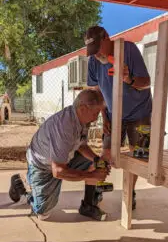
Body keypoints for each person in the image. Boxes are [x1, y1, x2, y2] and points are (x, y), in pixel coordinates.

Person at [9, 89, 110, 221]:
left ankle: (88, 204)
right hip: (43, 165)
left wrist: (97, 160)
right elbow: (58, 171)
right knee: (42, 212)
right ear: (83, 108)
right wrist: (92, 175)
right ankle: (21, 184)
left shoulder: (82, 118)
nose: (97, 118)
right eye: (96, 113)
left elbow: (81, 145)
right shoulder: (64, 126)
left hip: (63, 159)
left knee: (94, 164)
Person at [85, 26, 152, 209]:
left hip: (139, 112)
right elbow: (96, 91)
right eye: (92, 51)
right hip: (112, 114)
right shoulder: (93, 61)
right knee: (106, 153)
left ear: (107, 38)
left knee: (136, 156)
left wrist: (128, 78)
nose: (96, 54)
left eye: (98, 49)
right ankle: (95, 193)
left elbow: (146, 82)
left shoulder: (129, 50)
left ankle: (130, 192)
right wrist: (104, 117)